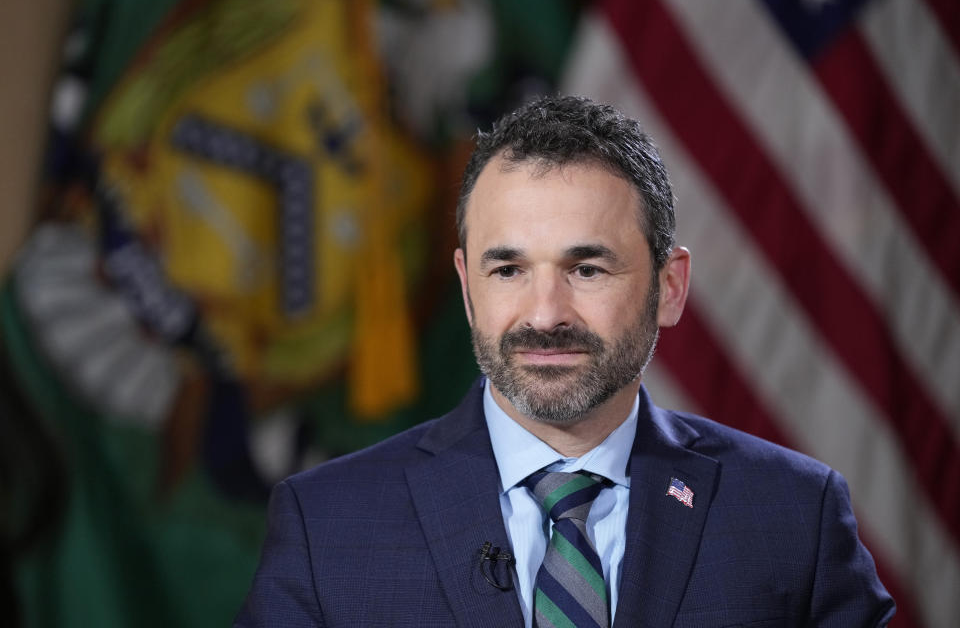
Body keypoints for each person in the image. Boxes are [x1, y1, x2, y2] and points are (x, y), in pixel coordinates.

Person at [235, 96, 894, 627]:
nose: (545, 313)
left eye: (586, 268)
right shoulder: (329, 524)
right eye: (509, 269)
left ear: (669, 286)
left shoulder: (792, 514)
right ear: (467, 288)